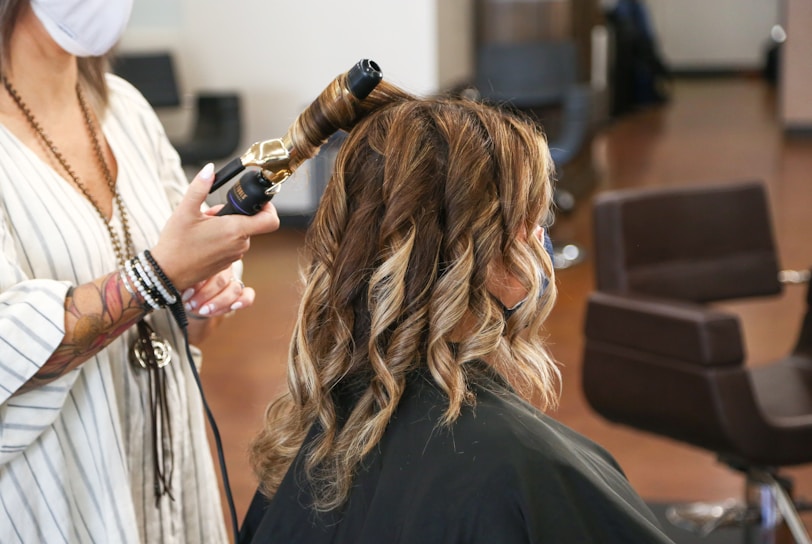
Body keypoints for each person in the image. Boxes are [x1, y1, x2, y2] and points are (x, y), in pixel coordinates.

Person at [240, 85, 676, 542]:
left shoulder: (309, 442)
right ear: (490, 250)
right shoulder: (531, 467)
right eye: (534, 219)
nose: (539, 239)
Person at [0, 0, 279, 542]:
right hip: (57, 489)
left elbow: (189, 321)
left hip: (169, 465)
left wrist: (203, 291)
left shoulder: (125, 109)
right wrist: (158, 275)